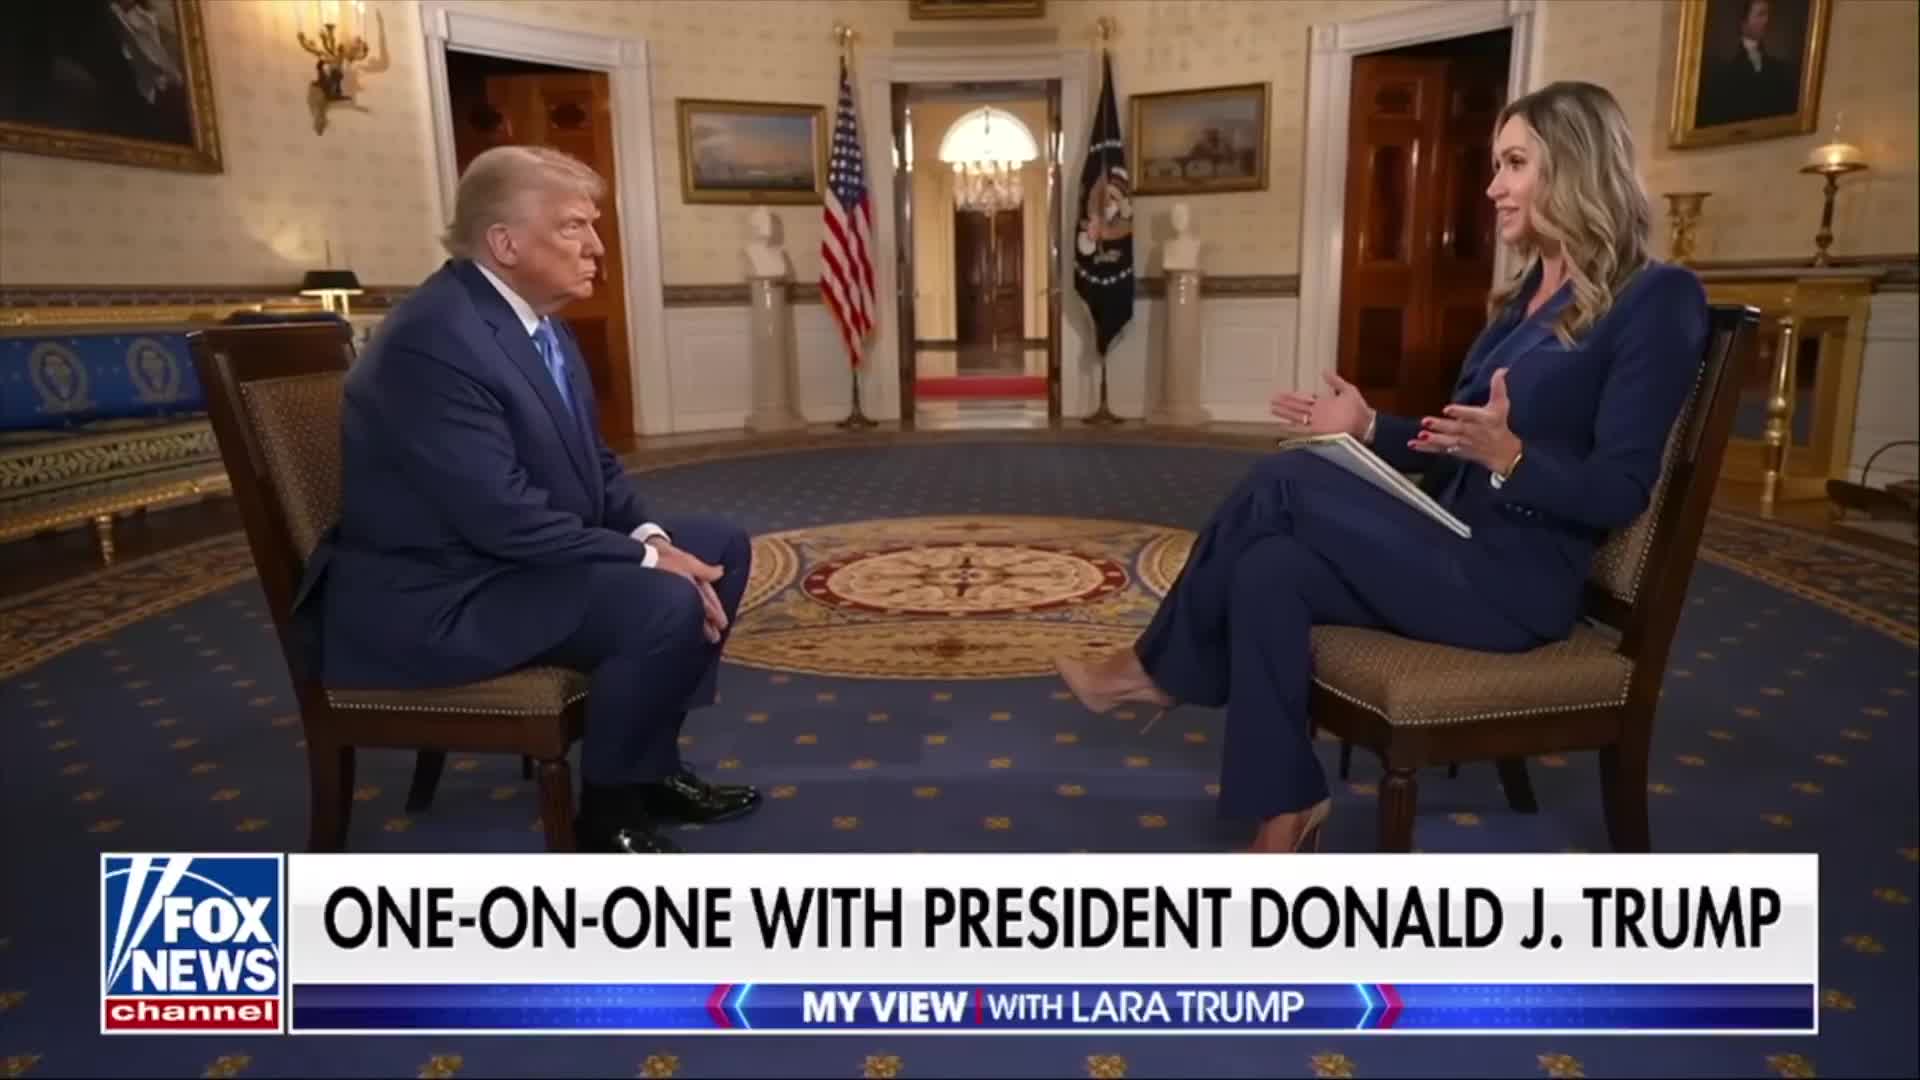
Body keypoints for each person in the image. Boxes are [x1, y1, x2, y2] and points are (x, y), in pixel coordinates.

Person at [1054, 81, 1708, 854]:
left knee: (1284, 483)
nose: (1493, 186)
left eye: (1513, 164)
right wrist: (1366, 427)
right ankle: (1287, 810)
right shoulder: (1527, 294)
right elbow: (1460, 438)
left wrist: (1514, 459)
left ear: (1574, 167)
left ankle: (1155, 671)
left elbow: (1621, 491)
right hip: (1451, 541)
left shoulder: (1658, 299)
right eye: (1497, 164)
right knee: (1268, 568)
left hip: (1513, 585)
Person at [306, 145, 759, 854]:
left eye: (593, 225)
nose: (597, 246)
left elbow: (595, 464)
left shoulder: (539, 321)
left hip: (505, 563)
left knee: (717, 546)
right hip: (443, 593)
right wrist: (649, 563)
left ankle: (649, 771)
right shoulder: (435, 340)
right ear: (505, 243)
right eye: (574, 226)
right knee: (661, 600)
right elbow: (503, 517)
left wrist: (652, 539)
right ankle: (607, 817)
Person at [1695, 0, 1799, 128]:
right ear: (1744, 21)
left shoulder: (1777, 66)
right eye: (1760, 14)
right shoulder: (1724, 63)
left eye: (1767, 15)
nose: (1766, 21)